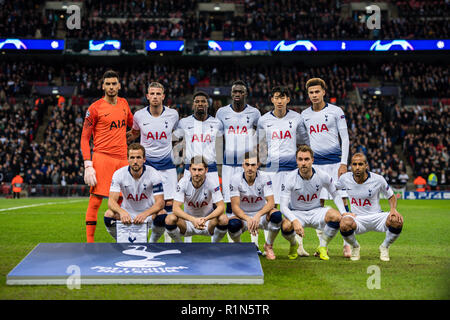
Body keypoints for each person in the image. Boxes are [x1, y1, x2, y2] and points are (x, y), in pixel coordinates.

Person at [299, 77, 351, 258]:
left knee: (343, 202)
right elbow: (304, 141)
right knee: (317, 206)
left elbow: (345, 138)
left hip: (336, 164)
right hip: (317, 167)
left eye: (317, 92)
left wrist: (344, 163)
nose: (314, 95)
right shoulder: (304, 115)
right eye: (311, 92)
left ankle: (347, 244)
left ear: (324, 92)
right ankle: (323, 246)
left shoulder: (336, 111)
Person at [80, 70, 133, 243]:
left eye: (114, 84)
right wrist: (88, 164)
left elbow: (133, 126)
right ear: (103, 86)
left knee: (123, 202)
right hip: (102, 158)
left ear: (119, 85)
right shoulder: (94, 108)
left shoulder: (124, 103)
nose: (111, 87)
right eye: (108, 84)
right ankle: (89, 243)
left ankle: (124, 239)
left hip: (123, 160)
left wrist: (127, 139)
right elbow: (84, 138)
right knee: (95, 201)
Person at [257, 86, 310, 256]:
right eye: (276, 97)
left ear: (288, 99)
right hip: (271, 171)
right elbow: (261, 146)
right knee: (269, 207)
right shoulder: (264, 120)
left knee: (294, 207)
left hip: (292, 171)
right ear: (272, 99)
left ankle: (299, 246)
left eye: (283, 97)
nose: (279, 101)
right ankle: (267, 245)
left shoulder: (297, 118)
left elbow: (303, 143)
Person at [127, 82, 179, 242]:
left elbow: (177, 136)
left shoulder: (173, 115)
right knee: (151, 204)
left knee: (169, 204)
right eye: (152, 94)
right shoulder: (139, 115)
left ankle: (170, 242)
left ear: (163, 96)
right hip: (147, 167)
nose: (155, 96)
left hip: (167, 166)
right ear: (147, 96)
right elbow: (134, 133)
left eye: (158, 94)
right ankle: (150, 241)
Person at [280, 145, 347, 261]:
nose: (303, 163)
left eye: (306, 159)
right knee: (285, 226)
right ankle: (293, 244)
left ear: (312, 160)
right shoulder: (289, 178)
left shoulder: (323, 175)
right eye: (300, 159)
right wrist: (294, 220)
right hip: (297, 212)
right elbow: (283, 207)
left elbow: (335, 194)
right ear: (296, 161)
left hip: (316, 211)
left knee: (337, 217)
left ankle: (323, 246)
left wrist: (344, 212)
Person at [228, 151, 298, 260]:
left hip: (261, 215)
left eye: (253, 165)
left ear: (257, 165)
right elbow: (235, 207)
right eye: (247, 165)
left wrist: (258, 215)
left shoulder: (265, 177)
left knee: (277, 215)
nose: (250, 168)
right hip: (243, 216)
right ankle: (240, 247)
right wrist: (247, 218)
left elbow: (271, 202)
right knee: (232, 224)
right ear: (243, 165)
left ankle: (268, 246)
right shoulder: (235, 179)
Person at [337, 153, 404, 261]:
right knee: (344, 224)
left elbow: (391, 196)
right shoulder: (345, 178)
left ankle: (385, 247)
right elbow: (333, 189)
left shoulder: (378, 179)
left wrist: (393, 209)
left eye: (360, 164)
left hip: (377, 216)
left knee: (397, 220)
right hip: (357, 218)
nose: (357, 167)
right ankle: (355, 247)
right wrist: (343, 209)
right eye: (354, 164)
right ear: (351, 166)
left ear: (366, 165)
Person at [215, 80, 261, 228]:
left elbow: (261, 138)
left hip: (247, 165)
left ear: (245, 94)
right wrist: (219, 163)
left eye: (240, 92)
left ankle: (254, 238)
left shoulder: (254, 113)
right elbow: (218, 139)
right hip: (228, 165)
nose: (237, 94)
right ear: (231, 93)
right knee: (229, 201)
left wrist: (259, 160)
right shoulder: (222, 112)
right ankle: (232, 240)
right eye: (235, 91)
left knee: (251, 200)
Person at [104, 143, 166, 242]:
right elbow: (111, 201)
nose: (135, 161)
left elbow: (160, 203)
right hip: (127, 214)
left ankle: (152, 242)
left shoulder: (154, 174)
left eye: (138, 157)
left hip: (148, 214)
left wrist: (145, 214)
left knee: (162, 214)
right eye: (132, 157)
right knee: (109, 214)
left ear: (144, 159)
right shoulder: (118, 174)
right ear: (127, 159)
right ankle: (120, 240)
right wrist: (122, 212)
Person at [165, 156, 228, 242]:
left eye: (200, 170)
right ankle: (179, 244)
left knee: (224, 219)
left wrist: (205, 219)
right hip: (188, 222)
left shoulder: (212, 182)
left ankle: (215, 244)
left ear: (206, 170)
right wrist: (193, 220)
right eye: (194, 169)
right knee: (169, 219)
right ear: (190, 169)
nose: (196, 173)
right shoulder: (183, 182)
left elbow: (221, 207)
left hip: (207, 222)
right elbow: (175, 208)